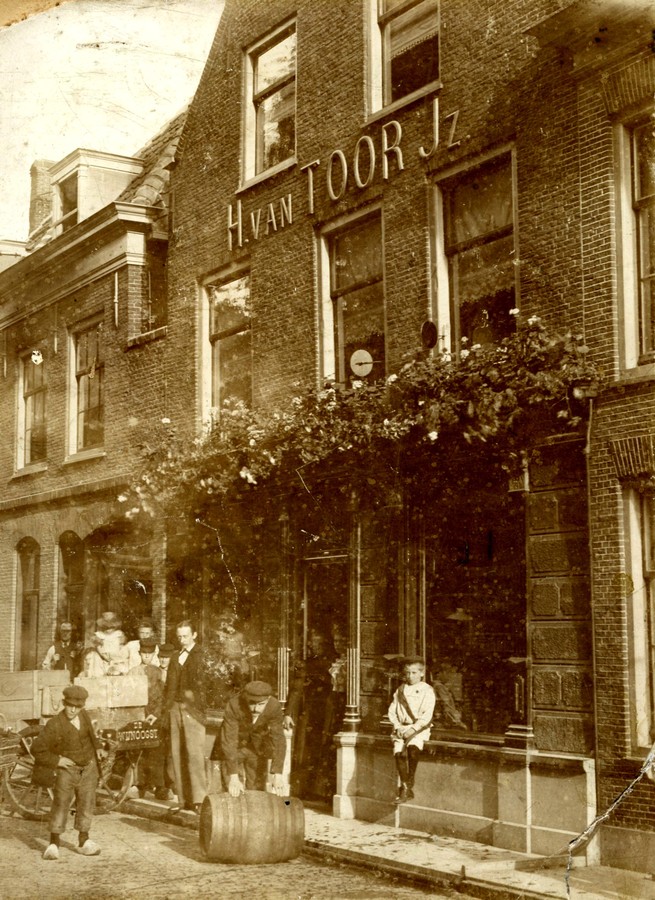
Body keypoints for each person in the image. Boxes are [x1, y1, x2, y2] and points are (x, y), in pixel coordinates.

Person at [32, 684, 101, 859]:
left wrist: (98, 748)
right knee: (61, 804)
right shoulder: (54, 724)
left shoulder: (84, 716)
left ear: (82, 707)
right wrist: (58, 760)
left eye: (77, 707)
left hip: (88, 768)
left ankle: (83, 840)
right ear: (64, 703)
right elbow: (37, 749)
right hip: (67, 771)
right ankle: (54, 843)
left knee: (86, 804)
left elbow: (92, 735)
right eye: (70, 705)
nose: (73, 710)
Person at [164, 620, 206, 812]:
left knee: (194, 754)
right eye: (179, 636)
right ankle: (183, 799)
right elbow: (169, 687)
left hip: (193, 710)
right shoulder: (175, 656)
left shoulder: (202, 655)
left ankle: (199, 800)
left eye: (186, 636)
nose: (182, 640)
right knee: (177, 753)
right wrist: (167, 708)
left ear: (194, 635)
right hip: (175, 708)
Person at [216, 680, 286, 797]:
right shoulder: (234, 704)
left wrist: (278, 774)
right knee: (232, 790)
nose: (255, 709)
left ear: (268, 699)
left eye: (261, 704)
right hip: (233, 748)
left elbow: (278, 739)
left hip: (257, 748)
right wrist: (233, 776)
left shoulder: (274, 706)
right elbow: (229, 739)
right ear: (245, 697)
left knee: (257, 792)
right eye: (252, 703)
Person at [388, 657, 436, 803]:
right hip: (402, 727)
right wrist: (397, 726)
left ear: (422, 673)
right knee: (399, 754)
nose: (410, 676)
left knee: (413, 748)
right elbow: (392, 710)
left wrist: (413, 728)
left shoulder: (427, 690)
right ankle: (405, 786)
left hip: (419, 728)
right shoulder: (400, 690)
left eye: (414, 673)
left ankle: (410, 782)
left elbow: (427, 714)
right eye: (407, 673)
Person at [129, 637, 167, 800]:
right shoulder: (133, 672)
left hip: (155, 718)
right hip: (139, 715)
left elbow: (163, 696)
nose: (146, 657)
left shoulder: (159, 673)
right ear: (139, 654)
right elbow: (128, 695)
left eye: (149, 654)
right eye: (144, 654)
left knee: (156, 751)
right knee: (139, 750)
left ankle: (159, 786)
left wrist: (156, 714)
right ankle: (139, 785)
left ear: (154, 654)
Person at [84, 611, 129, 676]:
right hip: (103, 663)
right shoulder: (98, 635)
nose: (109, 627)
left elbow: (122, 652)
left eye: (112, 626)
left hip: (118, 662)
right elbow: (91, 651)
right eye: (106, 626)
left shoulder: (119, 635)